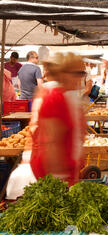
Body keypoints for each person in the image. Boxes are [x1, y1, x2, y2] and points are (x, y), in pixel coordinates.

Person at [30, 52, 86, 187]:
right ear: (63, 74)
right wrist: (59, 181)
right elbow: (51, 144)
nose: (81, 78)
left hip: (68, 170)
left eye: (83, 73)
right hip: (56, 175)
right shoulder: (54, 99)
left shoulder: (67, 96)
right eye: (77, 73)